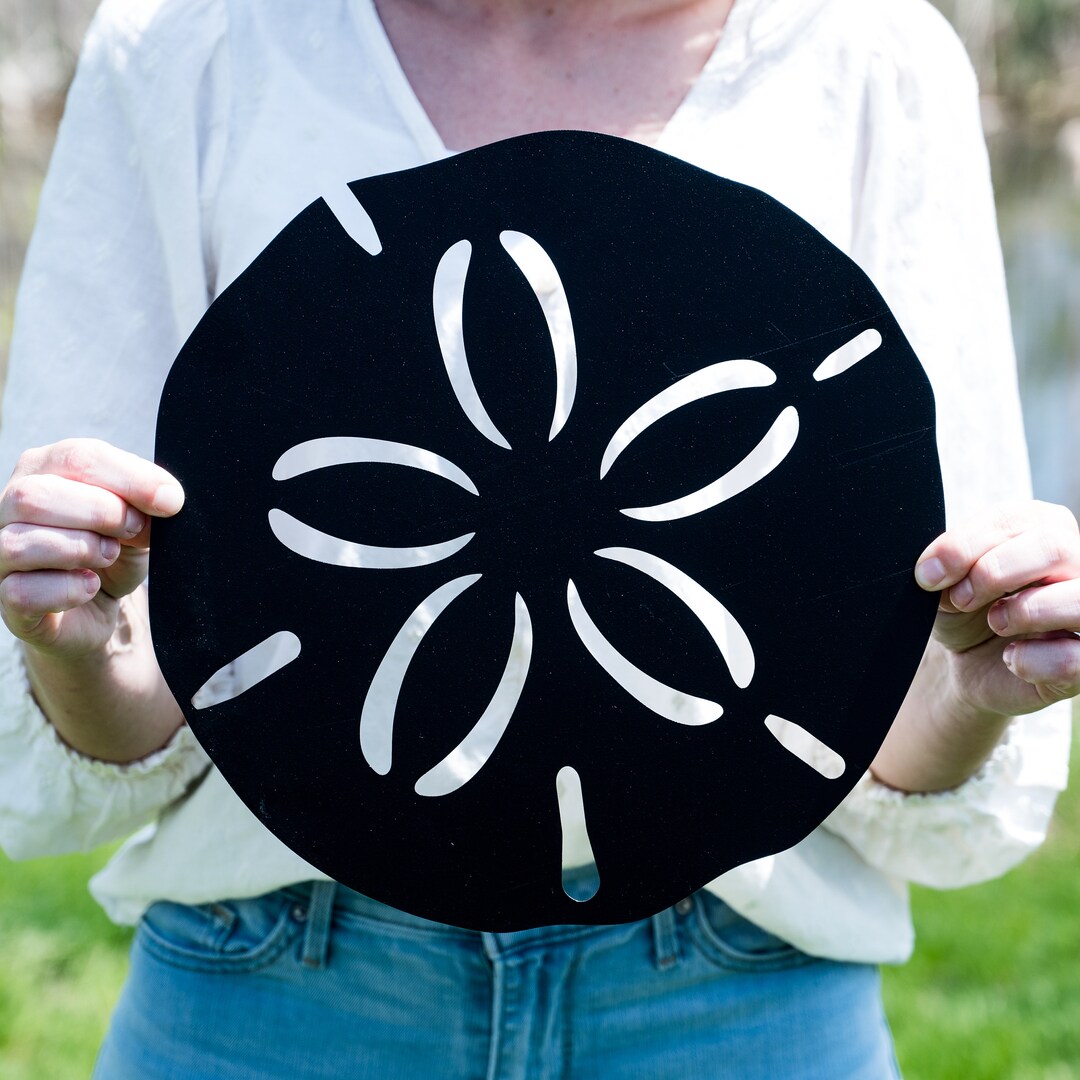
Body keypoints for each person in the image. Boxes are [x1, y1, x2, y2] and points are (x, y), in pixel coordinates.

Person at [1, 0, 1078, 1076]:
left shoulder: (872, 60)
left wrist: (983, 684)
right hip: (280, 989)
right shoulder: (192, 46)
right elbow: (150, 695)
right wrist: (72, 640)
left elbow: (877, 714)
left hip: (737, 997)